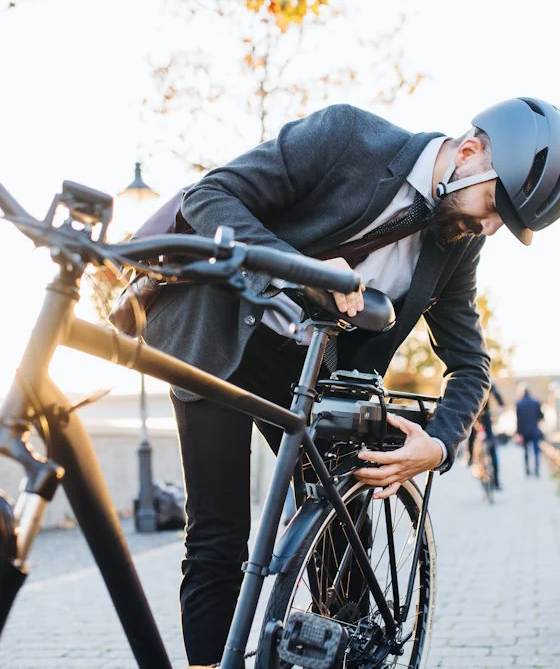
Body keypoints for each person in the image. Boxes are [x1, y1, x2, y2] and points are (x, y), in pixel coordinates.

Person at [142, 97, 560, 664]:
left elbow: (471, 360)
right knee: (217, 537)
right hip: (222, 335)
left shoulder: (458, 242)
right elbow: (208, 198)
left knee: (345, 537)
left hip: (321, 374)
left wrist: (438, 444)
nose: (488, 227)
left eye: (502, 224)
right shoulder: (347, 137)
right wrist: (299, 266)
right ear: (469, 152)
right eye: (494, 207)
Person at [467, 381, 505, 488]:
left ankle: (496, 480)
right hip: (476, 417)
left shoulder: (483, 380)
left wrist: (500, 407)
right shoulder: (485, 379)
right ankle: (471, 459)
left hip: (479, 416)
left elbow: (499, 399)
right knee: (473, 437)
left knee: (489, 445)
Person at [516, 384, 545, 477]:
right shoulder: (536, 402)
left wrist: (519, 433)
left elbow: (519, 420)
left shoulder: (519, 404)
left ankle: (527, 471)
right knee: (536, 451)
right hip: (534, 430)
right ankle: (536, 471)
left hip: (524, 432)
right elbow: (541, 416)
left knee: (526, 451)